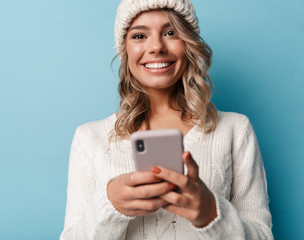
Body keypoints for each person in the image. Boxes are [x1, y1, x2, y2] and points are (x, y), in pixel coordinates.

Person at [60, 0, 273, 239]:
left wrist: (209, 213)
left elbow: (262, 236)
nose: (156, 47)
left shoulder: (235, 129)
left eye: (170, 32)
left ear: (188, 43)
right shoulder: (90, 138)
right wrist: (110, 205)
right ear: (124, 50)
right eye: (139, 36)